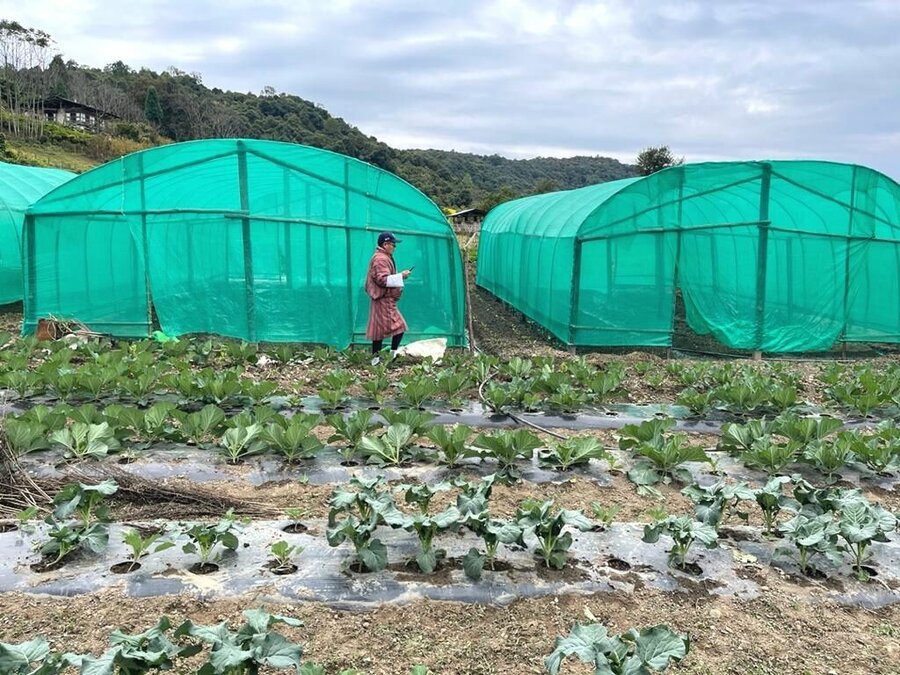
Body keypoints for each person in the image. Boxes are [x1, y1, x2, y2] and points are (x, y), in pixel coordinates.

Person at [365, 231, 412, 365]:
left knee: (377, 331)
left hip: (381, 298)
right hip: (384, 299)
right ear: (385, 244)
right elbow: (382, 280)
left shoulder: (381, 257)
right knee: (400, 326)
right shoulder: (381, 259)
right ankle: (392, 354)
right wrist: (401, 276)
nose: (394, 247)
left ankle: (376, 360)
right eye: (393, 244)